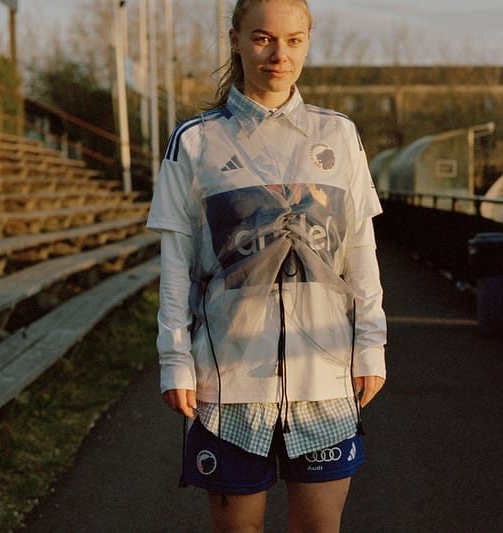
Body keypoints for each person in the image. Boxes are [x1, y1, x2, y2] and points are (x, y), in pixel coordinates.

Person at [146, 0, 386, 530]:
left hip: (324, 382)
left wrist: (372, 345)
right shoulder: (195, 140)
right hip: (228, 384)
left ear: (308, 40)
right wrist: (174, 358)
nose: (280, 54)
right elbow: (176, 265)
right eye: (262, 38)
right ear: (235, 39)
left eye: (294, 40)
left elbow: (361, 253)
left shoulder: (340, 135)